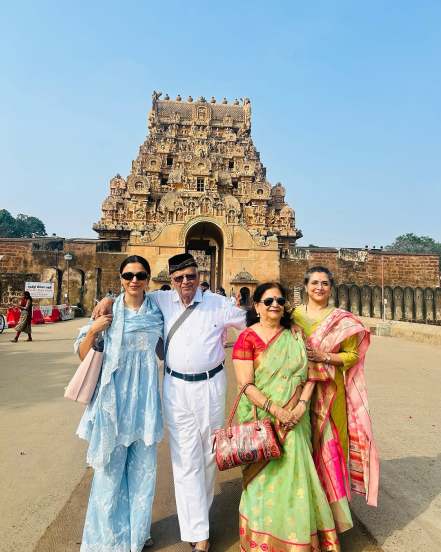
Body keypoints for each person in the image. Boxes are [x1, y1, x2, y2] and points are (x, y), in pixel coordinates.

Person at [93, 253, 246, 552]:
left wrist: (290, 323)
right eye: (179, 278)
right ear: (171, 281)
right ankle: (198, 532)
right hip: (176, 387)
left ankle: (199, 516)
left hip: (212, 384)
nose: (185, 282)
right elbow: (131, 293)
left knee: (208, 456)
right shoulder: (161, 302)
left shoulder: (218, 304)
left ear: (199, 276)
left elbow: (252, 322)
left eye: (191, 276)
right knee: (184, 459)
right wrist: (108, 299)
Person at [232, 282, 341, 551]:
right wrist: (276, 410)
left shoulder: (296, 335)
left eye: (280, 300)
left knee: (297, 479)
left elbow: (312, 374)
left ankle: (297, 540)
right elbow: (245, 385)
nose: (275, 305)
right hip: (262, 419)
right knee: (262, 481)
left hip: (296, 418)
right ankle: (264, 540)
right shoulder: (247, 338)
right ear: (256, 307)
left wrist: (301, 406)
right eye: (268, 301)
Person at [74, 255, 163, 552]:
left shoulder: (158, 311)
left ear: (148, 278)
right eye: (128, 275)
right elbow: (83, 354)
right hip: (114, 402)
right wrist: (94, 328)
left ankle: (136, 535)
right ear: (121, 278)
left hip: (145, 403)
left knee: (143, 473)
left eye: (140, 275)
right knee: (109, 476)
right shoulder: (108, 314)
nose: (134, 280)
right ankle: (105, 539)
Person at [292, 266, 379, 533]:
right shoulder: (292, 316)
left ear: (331, 288)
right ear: (305, 286)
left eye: (325, 284)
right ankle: (303, 511)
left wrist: (324, 357)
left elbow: (352, 355)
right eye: (315, 283)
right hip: (296, 391)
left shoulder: (342, 320)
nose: (319, 287)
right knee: (301, 448)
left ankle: (331, 517)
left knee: (329, 448)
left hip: (330, 393)